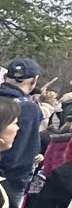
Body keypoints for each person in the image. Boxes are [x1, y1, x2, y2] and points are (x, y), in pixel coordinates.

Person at [0, 58, 44, 199]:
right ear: (34, 81)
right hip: (11, 178)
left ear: (6, 77)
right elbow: (27, 148)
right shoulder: (28, 107)